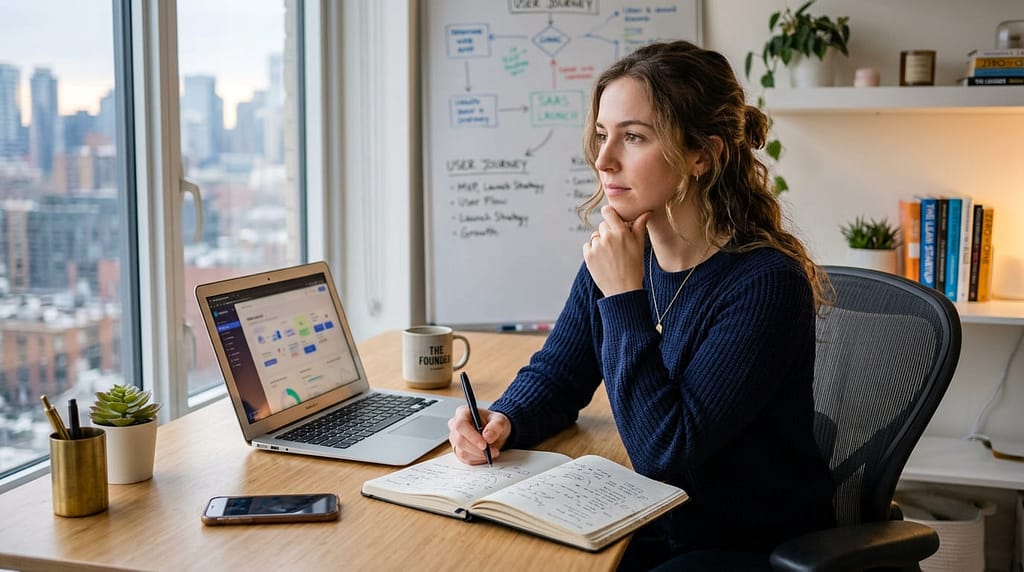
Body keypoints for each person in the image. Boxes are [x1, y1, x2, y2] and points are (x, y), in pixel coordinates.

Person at [447, 40, 836, 571]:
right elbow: (560, 375)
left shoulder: (765, 284)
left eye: (633, 137)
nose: (604, 160)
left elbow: (666, 454)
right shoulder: (624, 255)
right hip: (654, 518)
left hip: (741, 545)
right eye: (604, 135)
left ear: (704, 155)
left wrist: (625, 296)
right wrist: (504, 420)